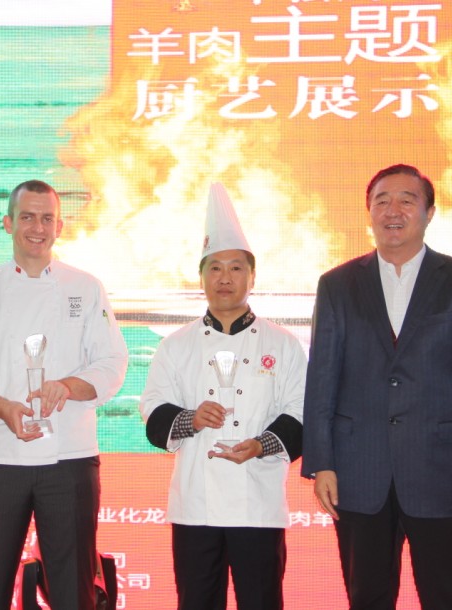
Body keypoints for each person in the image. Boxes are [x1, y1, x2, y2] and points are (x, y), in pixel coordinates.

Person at [301, 164, 452, 610]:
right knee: (367, 596)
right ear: (369, 212)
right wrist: (321, 463)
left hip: (444, 475)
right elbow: (321, 381)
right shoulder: (337, 285)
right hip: (358, 473)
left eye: (407, 201)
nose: (393, 211)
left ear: (429, 212)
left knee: (448, 596)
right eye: (382, 201)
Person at [0, 179, 128, 610]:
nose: (37, 228)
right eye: (27, 217)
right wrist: (2, 407)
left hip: (70, 458)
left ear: (59, 226)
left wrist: (68, 386)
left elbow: (112, 363)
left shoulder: (86, 287)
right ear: (8, 223)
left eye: (46, 218)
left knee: (73, 589)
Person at [141, 183, 306, 610]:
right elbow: (153, 413)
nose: (225, 278)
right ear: (201, 278)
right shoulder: (175, 345)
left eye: (236, 268)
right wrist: (191, 418)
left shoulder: (282, 343)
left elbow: (301, 411)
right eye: (215, 268)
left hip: (258, 502)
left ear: (253, 277)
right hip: (195, 505)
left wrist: (261, 444)